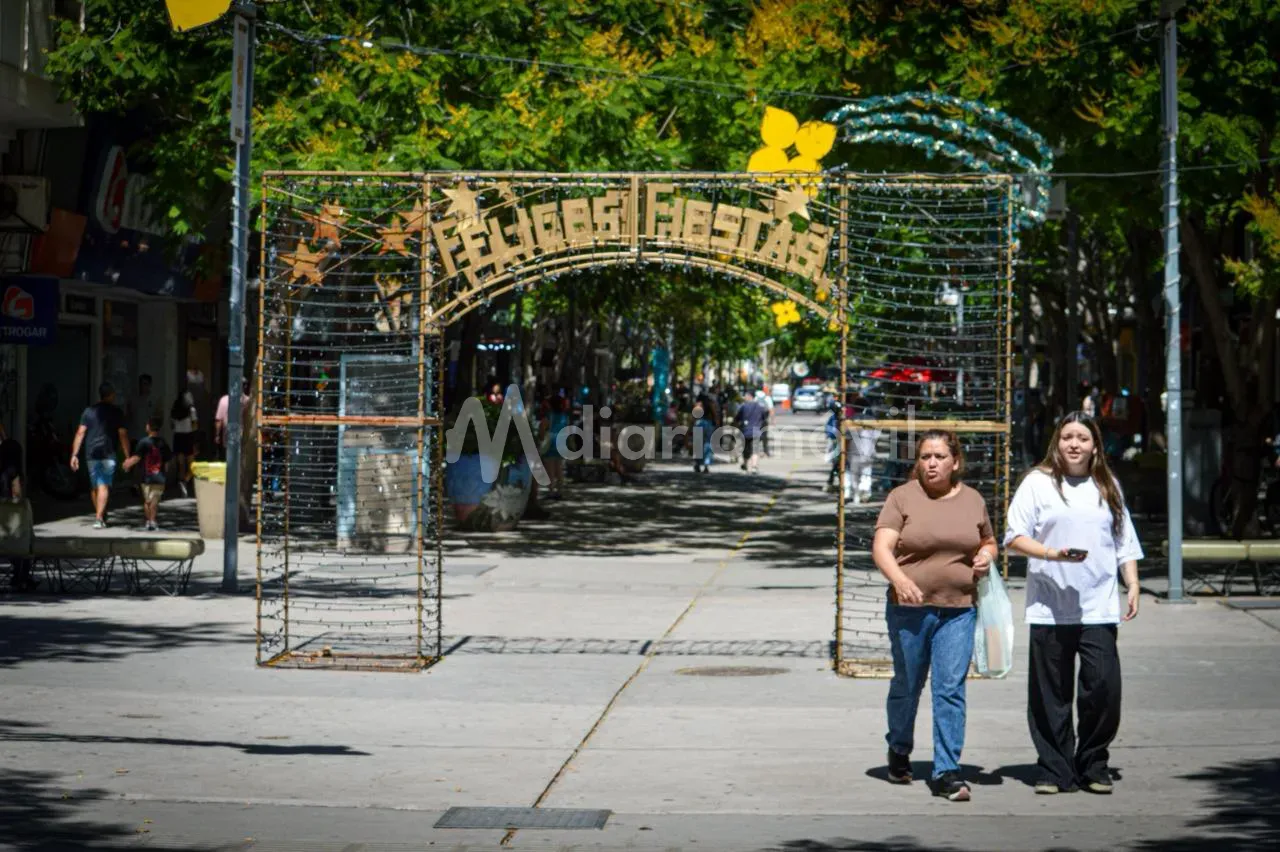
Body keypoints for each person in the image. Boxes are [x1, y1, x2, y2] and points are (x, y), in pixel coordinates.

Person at [1004, 411, 1143, 796]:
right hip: (1049, 605)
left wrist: (1131, 582)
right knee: (1051, 692)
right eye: (1067, 436)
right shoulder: (1037, 483)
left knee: (1103, 686)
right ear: (1057, 442)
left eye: (1082, 437)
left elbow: (1123, 540)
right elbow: (1013, 537)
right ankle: (1054, 767)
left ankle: (1093, 762)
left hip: (1098, 603)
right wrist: (1051, 554)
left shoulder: (1107, 484)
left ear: (1095, 445)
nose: (1074, 444)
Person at [872, 429, 997, 802]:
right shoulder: (902, 497)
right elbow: (882, 547)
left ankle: (946, 771)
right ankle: (899, 746)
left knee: (949, 689)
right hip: (909, 609)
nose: (931, 463)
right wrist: (899, 578)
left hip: (958, 609)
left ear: (955, 462)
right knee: (908, 685)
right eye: (925, 456)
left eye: (939, 456)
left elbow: (988, 540)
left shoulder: (973, 500)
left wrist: (987, 556)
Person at [69, 382, 131, 529]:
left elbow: (80, 432)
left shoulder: (89, 411)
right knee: (103, 485)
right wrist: (127, 454)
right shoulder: (116, 412)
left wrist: (74, 454)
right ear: (111, 395)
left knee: (95, 486)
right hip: (108, 452)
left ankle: (100, 513)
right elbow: (123, 435)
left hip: (91, 451)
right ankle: (98, 518)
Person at [123, 417, 172, 532]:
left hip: (146, 477)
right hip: (159, 476)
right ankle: (152, 521)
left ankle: (150, 521)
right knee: (154, 500)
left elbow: (137, 457)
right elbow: (168, 460)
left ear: (148, 427)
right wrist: (165, 471)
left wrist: (127, 464)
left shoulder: (143, 442)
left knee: (148, 500)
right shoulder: (163, 442)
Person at [171, 388, 198, 497]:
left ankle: (182, 486)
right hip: (188, 436)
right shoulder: (191, 410)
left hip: (177, 437)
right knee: (192, 465)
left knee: (181, 464)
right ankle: (185, 481)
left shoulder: (174, 410)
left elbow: (171, 425)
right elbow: (195, 425)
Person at [215, 378, 251, 461]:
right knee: (241, 457)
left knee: (230, 457)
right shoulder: (248, 401)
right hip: (243, 433)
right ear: (245, 386)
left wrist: (217, 435)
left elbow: (218, 420)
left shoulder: (224, 400)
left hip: (228, 433)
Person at [734, 392, 768, 474]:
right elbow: (765, 418)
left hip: (745, 431)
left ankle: (745, 465)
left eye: (745, 396)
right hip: (756, 431)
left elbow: (737, 418)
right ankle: (754, 467)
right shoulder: (760, 407)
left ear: (749, 396)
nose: (744, 398)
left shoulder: (743, 407)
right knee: (755, 450)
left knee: (746, 450)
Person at [691, 404, 714, 473]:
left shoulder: (698, 422)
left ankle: (697, 464)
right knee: (707, 448)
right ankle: (706, 466)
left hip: (699, 431)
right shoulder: (709, 422)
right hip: (708, 431)